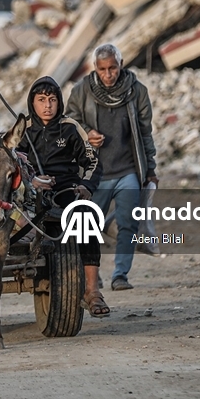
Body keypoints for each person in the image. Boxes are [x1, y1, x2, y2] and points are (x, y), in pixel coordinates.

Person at [66, 43, 159, 292]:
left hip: (128, 170)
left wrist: (150, 170)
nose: (108, 74)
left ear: (121, 65)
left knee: (128, 223)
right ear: (95, 68)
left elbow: (145, 133)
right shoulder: (81, 91)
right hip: (94, 173)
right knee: (89, 226)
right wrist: (86, 133)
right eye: (102, 69)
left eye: (113, 68)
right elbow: (69, 122)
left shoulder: (137, 91)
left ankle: (120, 275)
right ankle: (92, 277)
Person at [16, 76, 108, 317]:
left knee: (86, 217)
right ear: (32, 102)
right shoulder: (22, 130)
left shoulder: (71, 127)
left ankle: (92, 291)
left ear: (59, 101)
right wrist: (31, 181)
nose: (47, 105)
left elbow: (93, 162)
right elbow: (10, 165)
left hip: (66, 189)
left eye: (52, 99)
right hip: (31, 193)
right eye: (41, 100)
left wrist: (86, 185)